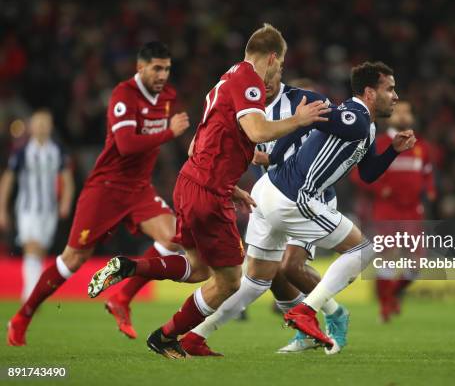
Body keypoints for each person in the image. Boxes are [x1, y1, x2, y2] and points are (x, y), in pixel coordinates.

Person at [88, 23, 329, 359]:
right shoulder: (249, 82)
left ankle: (130, 267)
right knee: (230, 279)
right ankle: (167, 335)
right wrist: (299, 120)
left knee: (199, 268)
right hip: (206, 193)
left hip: (191, 184)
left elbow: (200, 147)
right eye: (282, 64)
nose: (280, 71)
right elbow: (258, 131)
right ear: (272, 57)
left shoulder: (226, 79)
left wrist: (230, 187)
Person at [171, 61, 416, 356]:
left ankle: (196, 336)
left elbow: (367, 173)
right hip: (294, 198)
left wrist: (393, 151)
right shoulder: (353, 118)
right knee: (362, 250)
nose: (395, 95)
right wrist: (275, 152)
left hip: (268, 191)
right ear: (369, 92)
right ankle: (311, 312)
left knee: (255, 280)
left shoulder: (367, 126)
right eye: (389, 89)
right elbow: (309, 120)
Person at [6, 41, 192, 346]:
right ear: (140, 68)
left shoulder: (168, 98)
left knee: (174, 238)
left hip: (139, 189)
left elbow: (164, 135)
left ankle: (122, 297)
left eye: (167, 68)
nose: (162, 74)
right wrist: (169, 133)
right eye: (156, 68)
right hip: (106, 188)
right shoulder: (124, 95)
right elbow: (127, 144)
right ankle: (23, 316)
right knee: (75, 258)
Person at [182, 72, 349, 355]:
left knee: (288, 267)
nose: (265, 81)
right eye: (260, 77)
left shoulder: (310, 104)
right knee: (259, 278)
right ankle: (196, 335)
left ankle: (336, 315)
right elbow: (204, 148)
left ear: (279, 70)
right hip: (269, 196)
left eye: (271, 75)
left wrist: (271, 157)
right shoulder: (247, 108)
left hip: (308, 199)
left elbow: (328, 149)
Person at [351, 100, 436, 322]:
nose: (403, 115)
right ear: (390, 116)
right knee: (387, 256)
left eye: (407, 112)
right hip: (387, 209)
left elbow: (427, 173)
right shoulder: (378, 143)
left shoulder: (421, 147)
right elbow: (357, 174)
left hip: (412, 210)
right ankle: (385, 306)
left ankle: (394, 294)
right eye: (399, 111)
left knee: (417, 263)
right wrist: (381, 188)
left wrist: (430, 189)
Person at [0, 109, 74, 301]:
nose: (41, 126)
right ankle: (30, 295)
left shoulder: (57, 151)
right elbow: (8, 179)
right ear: (31, 126)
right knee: (31, 246)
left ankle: (34, 292)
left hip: (49, 210)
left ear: (50, 126)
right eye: (38, 123)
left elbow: (67, 179)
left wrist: (65, 201)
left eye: (45, 123)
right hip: (27, 209)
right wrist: (2, 209)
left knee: (39, 250)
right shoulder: (22, 151)